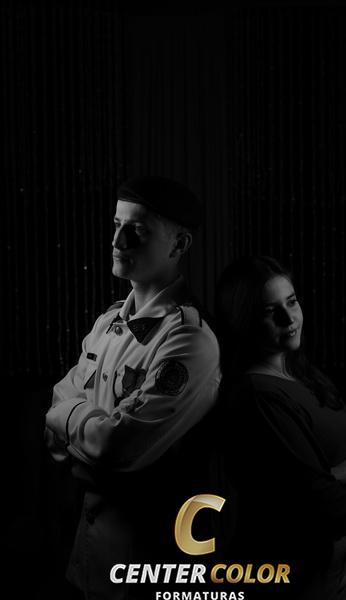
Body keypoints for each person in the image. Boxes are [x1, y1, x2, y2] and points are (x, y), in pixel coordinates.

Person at [45, 176, 220, 599]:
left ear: (179, 245)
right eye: (116, 224)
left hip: (150, 561)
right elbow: (56, 429)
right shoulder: (108, 323)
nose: (117, 241)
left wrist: (69, 422)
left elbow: (114, 448)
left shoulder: (189, 340)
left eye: (137, 230)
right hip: (88, 557)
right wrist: (84, 434)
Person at [214, 255, 346, 599]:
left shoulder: (303, 374)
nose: (288, 317)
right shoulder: (257, 395)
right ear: (244, 321)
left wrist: (338, 473)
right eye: (270, 311)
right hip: (292, 575)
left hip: (336, 572)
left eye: (291, 302)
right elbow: (327, 507)